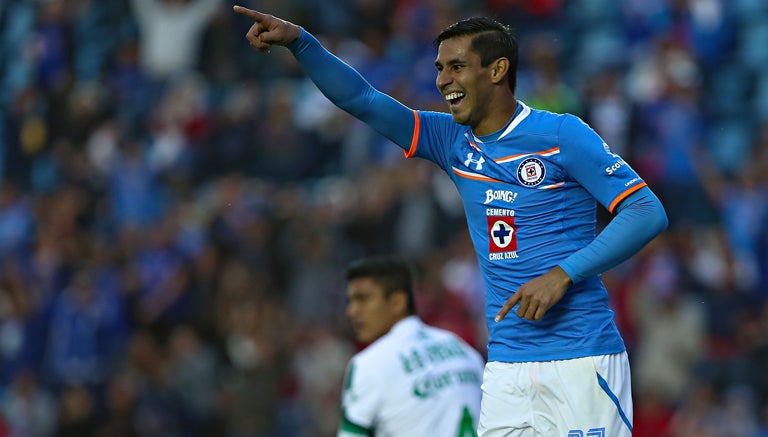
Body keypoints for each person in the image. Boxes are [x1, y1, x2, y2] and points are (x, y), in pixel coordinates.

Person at [233, 6, 669, 436]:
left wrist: (563, 274)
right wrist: (301, 42)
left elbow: (646, 212)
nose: (443, 80)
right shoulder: (450, 140)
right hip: (506, 368)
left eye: (457, 67)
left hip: (581, 358)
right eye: (440, 68)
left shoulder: (560, 135)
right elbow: (363, 100)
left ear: (497, 70)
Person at [340, 256, 485, 436]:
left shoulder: (368, 365)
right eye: (350, 301)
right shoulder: (462, 349)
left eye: (363, 299)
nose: (352, 311)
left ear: (397, 302)